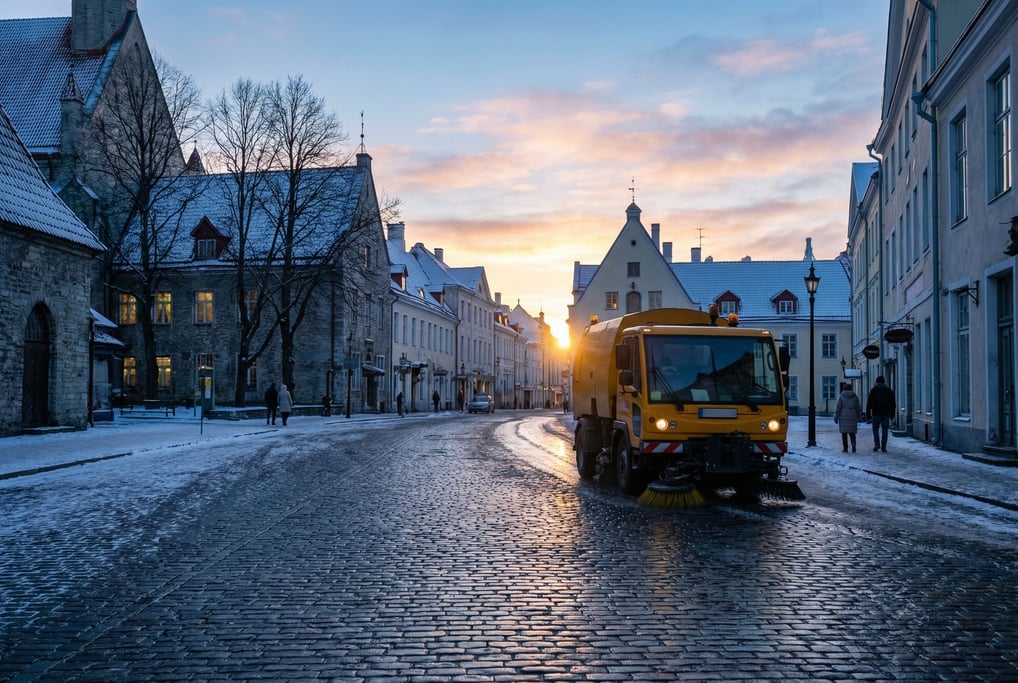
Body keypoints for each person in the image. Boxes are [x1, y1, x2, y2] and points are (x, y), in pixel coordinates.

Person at [866, 375, 896, 452]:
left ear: (876, 382)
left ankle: (877, 444)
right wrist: (892, 415)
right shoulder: (889, 391)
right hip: (886, 413)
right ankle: (884, 446)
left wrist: (868, 415)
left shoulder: (873, 390)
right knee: (885, 430)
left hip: (876, 413)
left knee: (875, 429)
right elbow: (893, 404)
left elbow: (869, 403)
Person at [833, 382, 863, 453]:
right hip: (853, 415)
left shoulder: (841, 396)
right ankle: (853, 444)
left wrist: (836, 416)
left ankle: (845, 448)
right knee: (852, 432)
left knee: (844, 433)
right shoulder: (855, 397)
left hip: (843, 416)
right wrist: (859, 416)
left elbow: (838, 407)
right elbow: (858, 408)